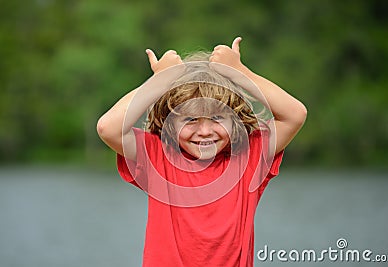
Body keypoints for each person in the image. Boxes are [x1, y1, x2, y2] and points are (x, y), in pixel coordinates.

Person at [97, 37, 307, 267]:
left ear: (234, 119)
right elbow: (108, 128)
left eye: (217, 118)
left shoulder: (249, 157)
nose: (205, 131)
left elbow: (295, 114)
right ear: (169, 122)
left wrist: (238, 72)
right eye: (190, 119)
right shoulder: (158, 157)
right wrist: (160, 80)